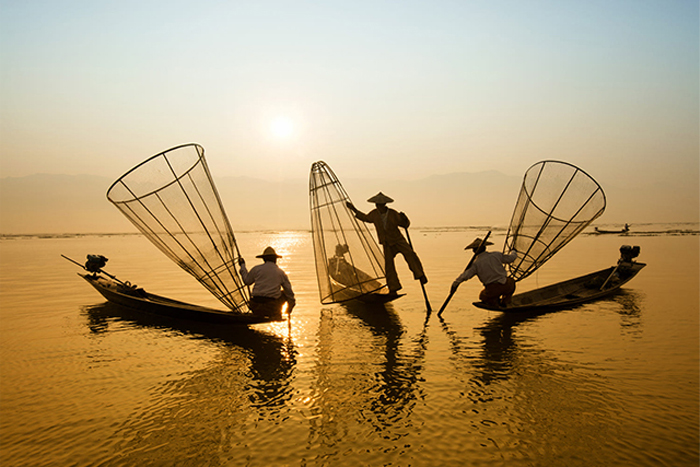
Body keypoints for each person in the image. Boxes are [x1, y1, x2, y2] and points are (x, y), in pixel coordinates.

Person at [346, 192, 427, 296]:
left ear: (384, 205)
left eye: (379, 205)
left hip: (398, 240)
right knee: (389, 266)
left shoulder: (393, 213)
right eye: (377, 205)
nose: (378, 206)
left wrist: (404, 218)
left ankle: (420, 275)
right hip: (387, 243)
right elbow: (366, 218)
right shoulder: (374, 214)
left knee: (410, 255)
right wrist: (353, 209)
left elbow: (405, 225)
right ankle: (393, 288)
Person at [451, 238, 517, 308]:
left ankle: (496, 301)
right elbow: (511, 258)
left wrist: (455, 284)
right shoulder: (496, 255)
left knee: (482, 296)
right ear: (485, 248)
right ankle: (505, 301)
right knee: (511, 282)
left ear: (474, 251)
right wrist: (514, 251)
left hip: (492, 289)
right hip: (506, 285)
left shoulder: (476, 263)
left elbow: (465, 276)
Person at [238, 246, 295, 320]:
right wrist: (290, 306)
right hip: (271, 307)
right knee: (286, 293)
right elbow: (289, 292)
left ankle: (273, 312)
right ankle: (277, 313)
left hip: (255, 306)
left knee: (284, 294)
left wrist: (242, 266)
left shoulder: (256, 269)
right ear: (275, 259)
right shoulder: (280, 272)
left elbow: (247, 281)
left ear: (264, 259)